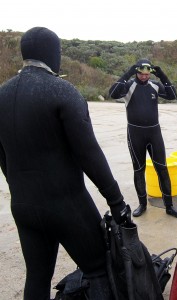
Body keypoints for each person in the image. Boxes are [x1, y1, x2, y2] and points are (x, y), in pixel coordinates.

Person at [0, 27, 128, 300]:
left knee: (37, 277)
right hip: (66, 204)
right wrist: (116, 202)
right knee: (97, 270)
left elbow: (3, 156)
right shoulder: (62, 91)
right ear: (53, 54)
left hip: (23, 205)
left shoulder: (1, 94)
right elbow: (89, 154)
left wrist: (19, 186)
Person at [109, 58, 177, 219]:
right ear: (136, 72)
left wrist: (162, 75)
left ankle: (169, 206)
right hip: (135, 133)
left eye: (147, 74)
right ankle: (142, 204)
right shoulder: (129, 85)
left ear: (150, 73)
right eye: (141, 74)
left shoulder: (155, 85)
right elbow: (113, 93)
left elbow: (172, 95)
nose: (144, 77)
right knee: (139, 170)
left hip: (154, 133)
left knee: (162, 169)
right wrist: (128, 72)